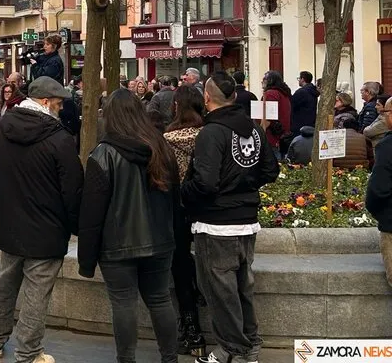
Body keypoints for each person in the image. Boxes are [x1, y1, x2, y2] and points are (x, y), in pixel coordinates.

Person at [0, 76, 83, 363]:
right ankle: (28, 351)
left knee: (5, 283)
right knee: (37, 293)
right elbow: (73, 190)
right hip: (48, 230)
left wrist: (4, 206)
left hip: (11, 225)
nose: (61, 110)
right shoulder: (60, 139)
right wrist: (73, 225)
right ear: (46, 102)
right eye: (59, 104)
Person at [181, 72, 279, 363]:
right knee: (242, 287)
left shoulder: (212, 133)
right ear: (234, 98)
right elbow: (270, 171)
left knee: (220, 290)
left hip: (216, 223)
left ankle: (231, 349)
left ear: (207, 99)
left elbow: (206, 182)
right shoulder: (254, 130)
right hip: (246, 220)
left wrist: (184, 193)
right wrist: (245, 186)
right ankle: (250, 346)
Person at [77, 90, 180, 363]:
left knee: (123, 303)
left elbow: (92, 212)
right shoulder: (161, 148)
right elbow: (175, 199)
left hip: (117, 245)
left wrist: (86, 260)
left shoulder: (103, 154)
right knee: (160, 300)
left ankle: (126, 359)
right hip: (159, 241)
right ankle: (170, 358)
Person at [162, 85, 207, 358]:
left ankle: (191, 330)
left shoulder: (167, 138)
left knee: (179, 265)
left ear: (176, 107)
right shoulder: (208, 136)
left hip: (176, 209)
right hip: (206, 208)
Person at [366, 110, 392, 287]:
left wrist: (376, 210)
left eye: (386, 112)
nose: (383, 116)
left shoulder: (387, 146)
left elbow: (379, 187)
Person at [261, 70, 293, 157]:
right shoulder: (284, 93)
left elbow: (267, 118)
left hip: (271, 138)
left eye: (264, 78)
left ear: (270, 80)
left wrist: (261, 133)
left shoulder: (270, 94)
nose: (262, 81)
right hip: (283, 136)